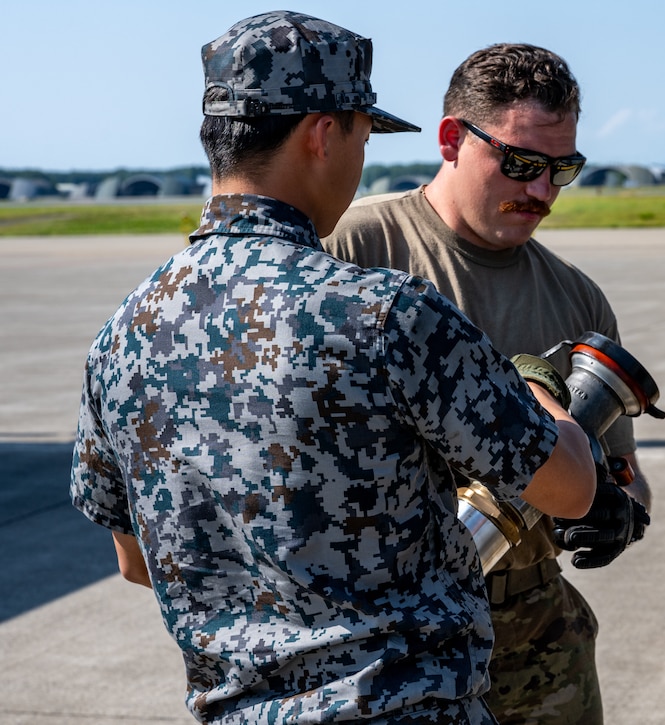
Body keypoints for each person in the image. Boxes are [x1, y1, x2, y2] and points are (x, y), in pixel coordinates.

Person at [69, 13, 596, 724]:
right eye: (363, 133)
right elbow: (568, 487)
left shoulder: (122, 336)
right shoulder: (389, 314)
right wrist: (539, 389)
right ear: (323, 133)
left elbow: (134, 561)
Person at [324, 43, 653, 724]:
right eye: (522, 163)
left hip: (537, 639)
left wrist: (618, 510)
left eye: (563, 170)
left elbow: (627, 472)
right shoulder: (354, 253)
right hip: (388, 633)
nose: (542, 192)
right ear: (452, 139)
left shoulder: (578, 300)